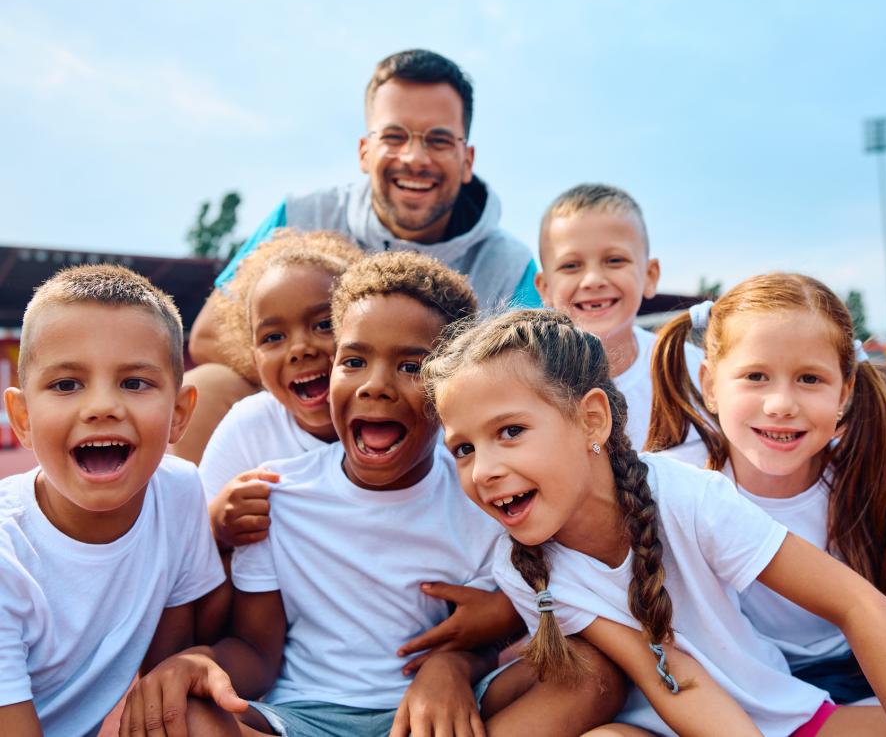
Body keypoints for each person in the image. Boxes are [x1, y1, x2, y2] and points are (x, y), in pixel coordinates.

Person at [423, 308, 886, 736]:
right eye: (465, 449)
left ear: (592, 419)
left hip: (781, 714)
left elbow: (860, 606)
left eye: (510, 432)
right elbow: (670, 676)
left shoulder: (689, 497)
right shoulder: (522, 562)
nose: (485, 470)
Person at [119, 254, 625, 737]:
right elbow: (256, 651)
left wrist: (451, 667)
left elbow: (483, 634)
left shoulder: (479, 496)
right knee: (180, 712)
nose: (375, 386)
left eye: (411, 367)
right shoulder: (276, 494)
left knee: (592, 673)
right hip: (303, 716)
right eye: (355, 361)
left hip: (439, 715)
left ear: (450, 391)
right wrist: (194, 665)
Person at [645, 272, 886, 711]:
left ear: (845, 392)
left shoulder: (869, 477)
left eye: (809, 379)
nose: (781, 404)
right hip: (769, 672)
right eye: (756, 375)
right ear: (711, 384)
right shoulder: (683, 487)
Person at [174, 48, 541, 463]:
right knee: (207, 386)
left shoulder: (509, 265)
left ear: (467, 158)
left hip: (430, 441)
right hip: (299, 424)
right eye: (394, 136)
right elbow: (207, 336)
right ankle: (196, 521)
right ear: (365, 151)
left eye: (438, 140)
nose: (414, 158)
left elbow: (531, 381)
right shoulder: (301, 216)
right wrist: (329, 389)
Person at [0, 265, 225, 736]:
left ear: (180, 413)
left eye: (134, 382)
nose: (102, 406)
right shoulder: (7, 554)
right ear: (21, 417)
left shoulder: (179, 492)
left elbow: (163, 685)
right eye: (66, 384)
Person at [199, 229, 362, 550]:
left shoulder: (397, 416)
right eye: (273, 337)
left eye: (324, 324)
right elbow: (191, 537)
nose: (299, 349)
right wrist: (217, 522)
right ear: (253, 357)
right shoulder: (251, 424)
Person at [534, 184, 701, 449]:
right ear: (545, 288)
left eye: (614, 260)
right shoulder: (528, 383)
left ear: (650, 275)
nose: (593, 280)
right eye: (571, 266)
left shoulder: (691, 370)